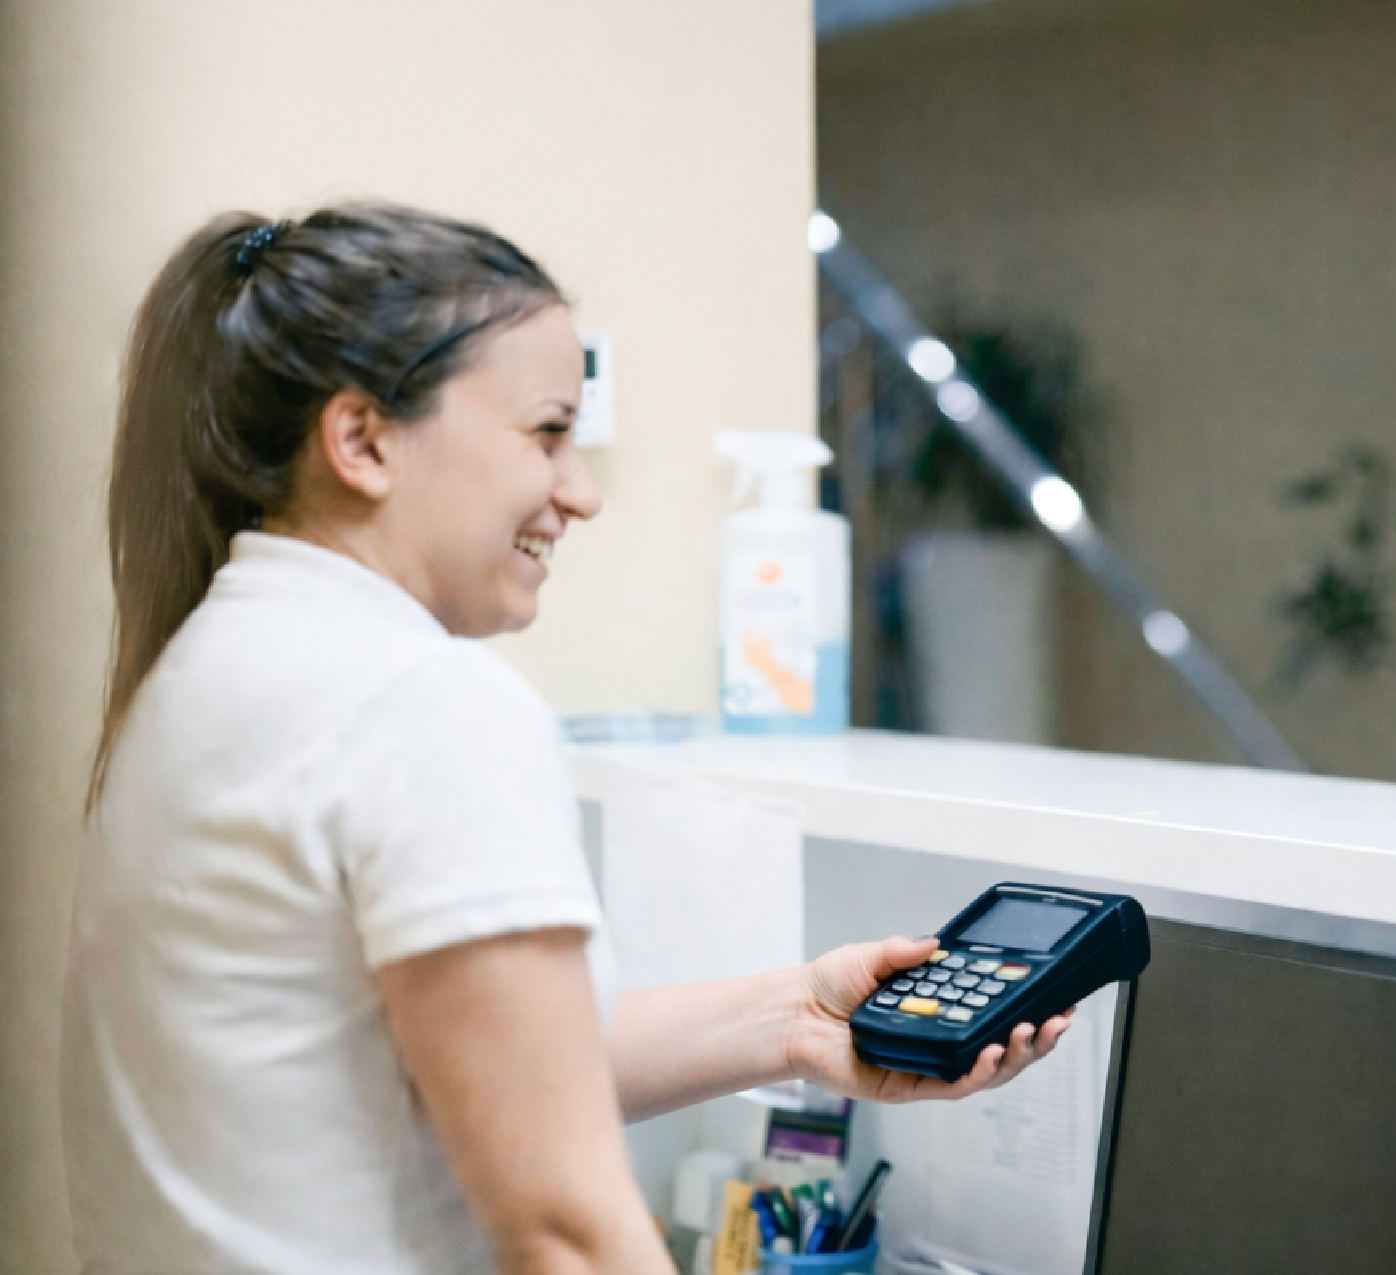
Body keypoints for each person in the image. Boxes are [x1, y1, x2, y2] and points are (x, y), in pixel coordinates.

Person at [64, 204, 1070, 1275]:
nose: (581, 494)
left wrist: (795, 1018)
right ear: (361, 440)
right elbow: (567, 1234)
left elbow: (462, 1070)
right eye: (548, 433)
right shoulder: (419, 702)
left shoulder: (207, 668)